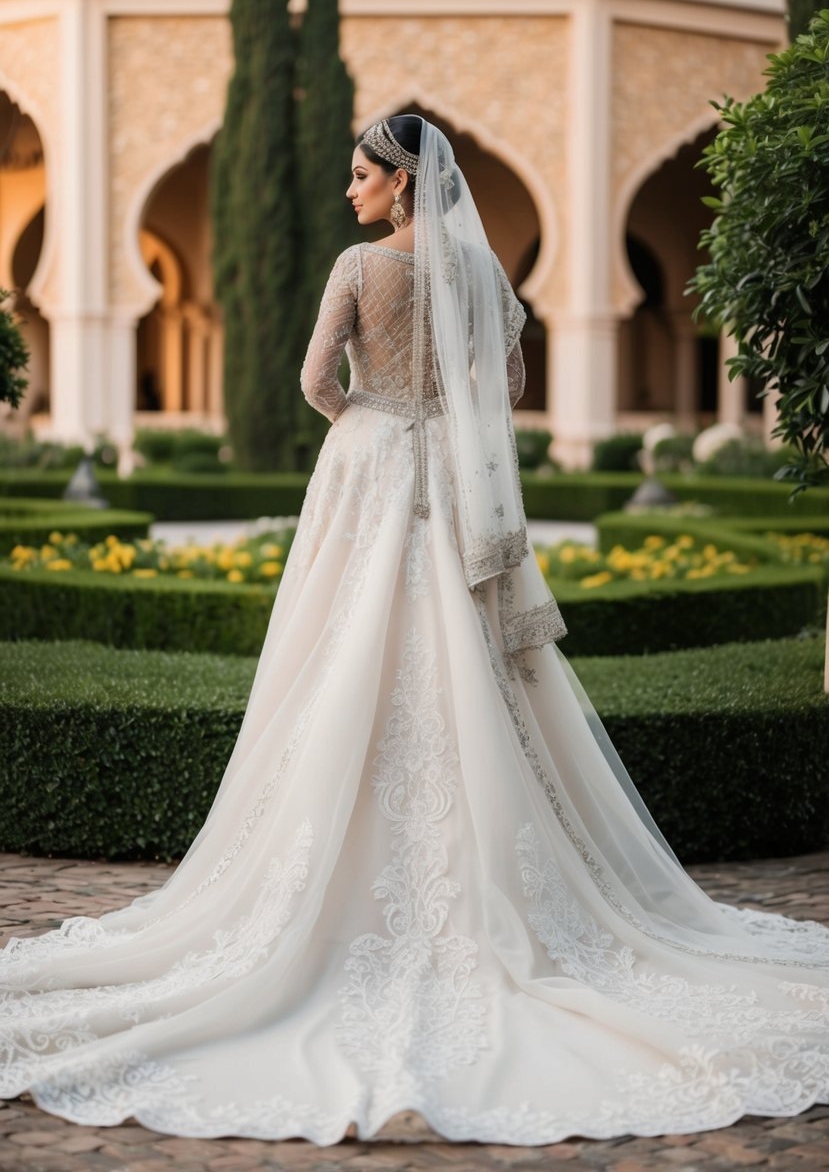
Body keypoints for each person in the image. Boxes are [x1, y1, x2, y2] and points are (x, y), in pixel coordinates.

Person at [1, 114, 827, 1146]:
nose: (348, 192)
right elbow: (509, 391)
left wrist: (365, 421)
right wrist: (445, 417)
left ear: (400, 185)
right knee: (467, 665)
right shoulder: (484, 277)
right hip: (455, 480)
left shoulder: (357, 267)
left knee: (345, 649)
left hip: (371, 463)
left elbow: (312, 382)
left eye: (359, 175)